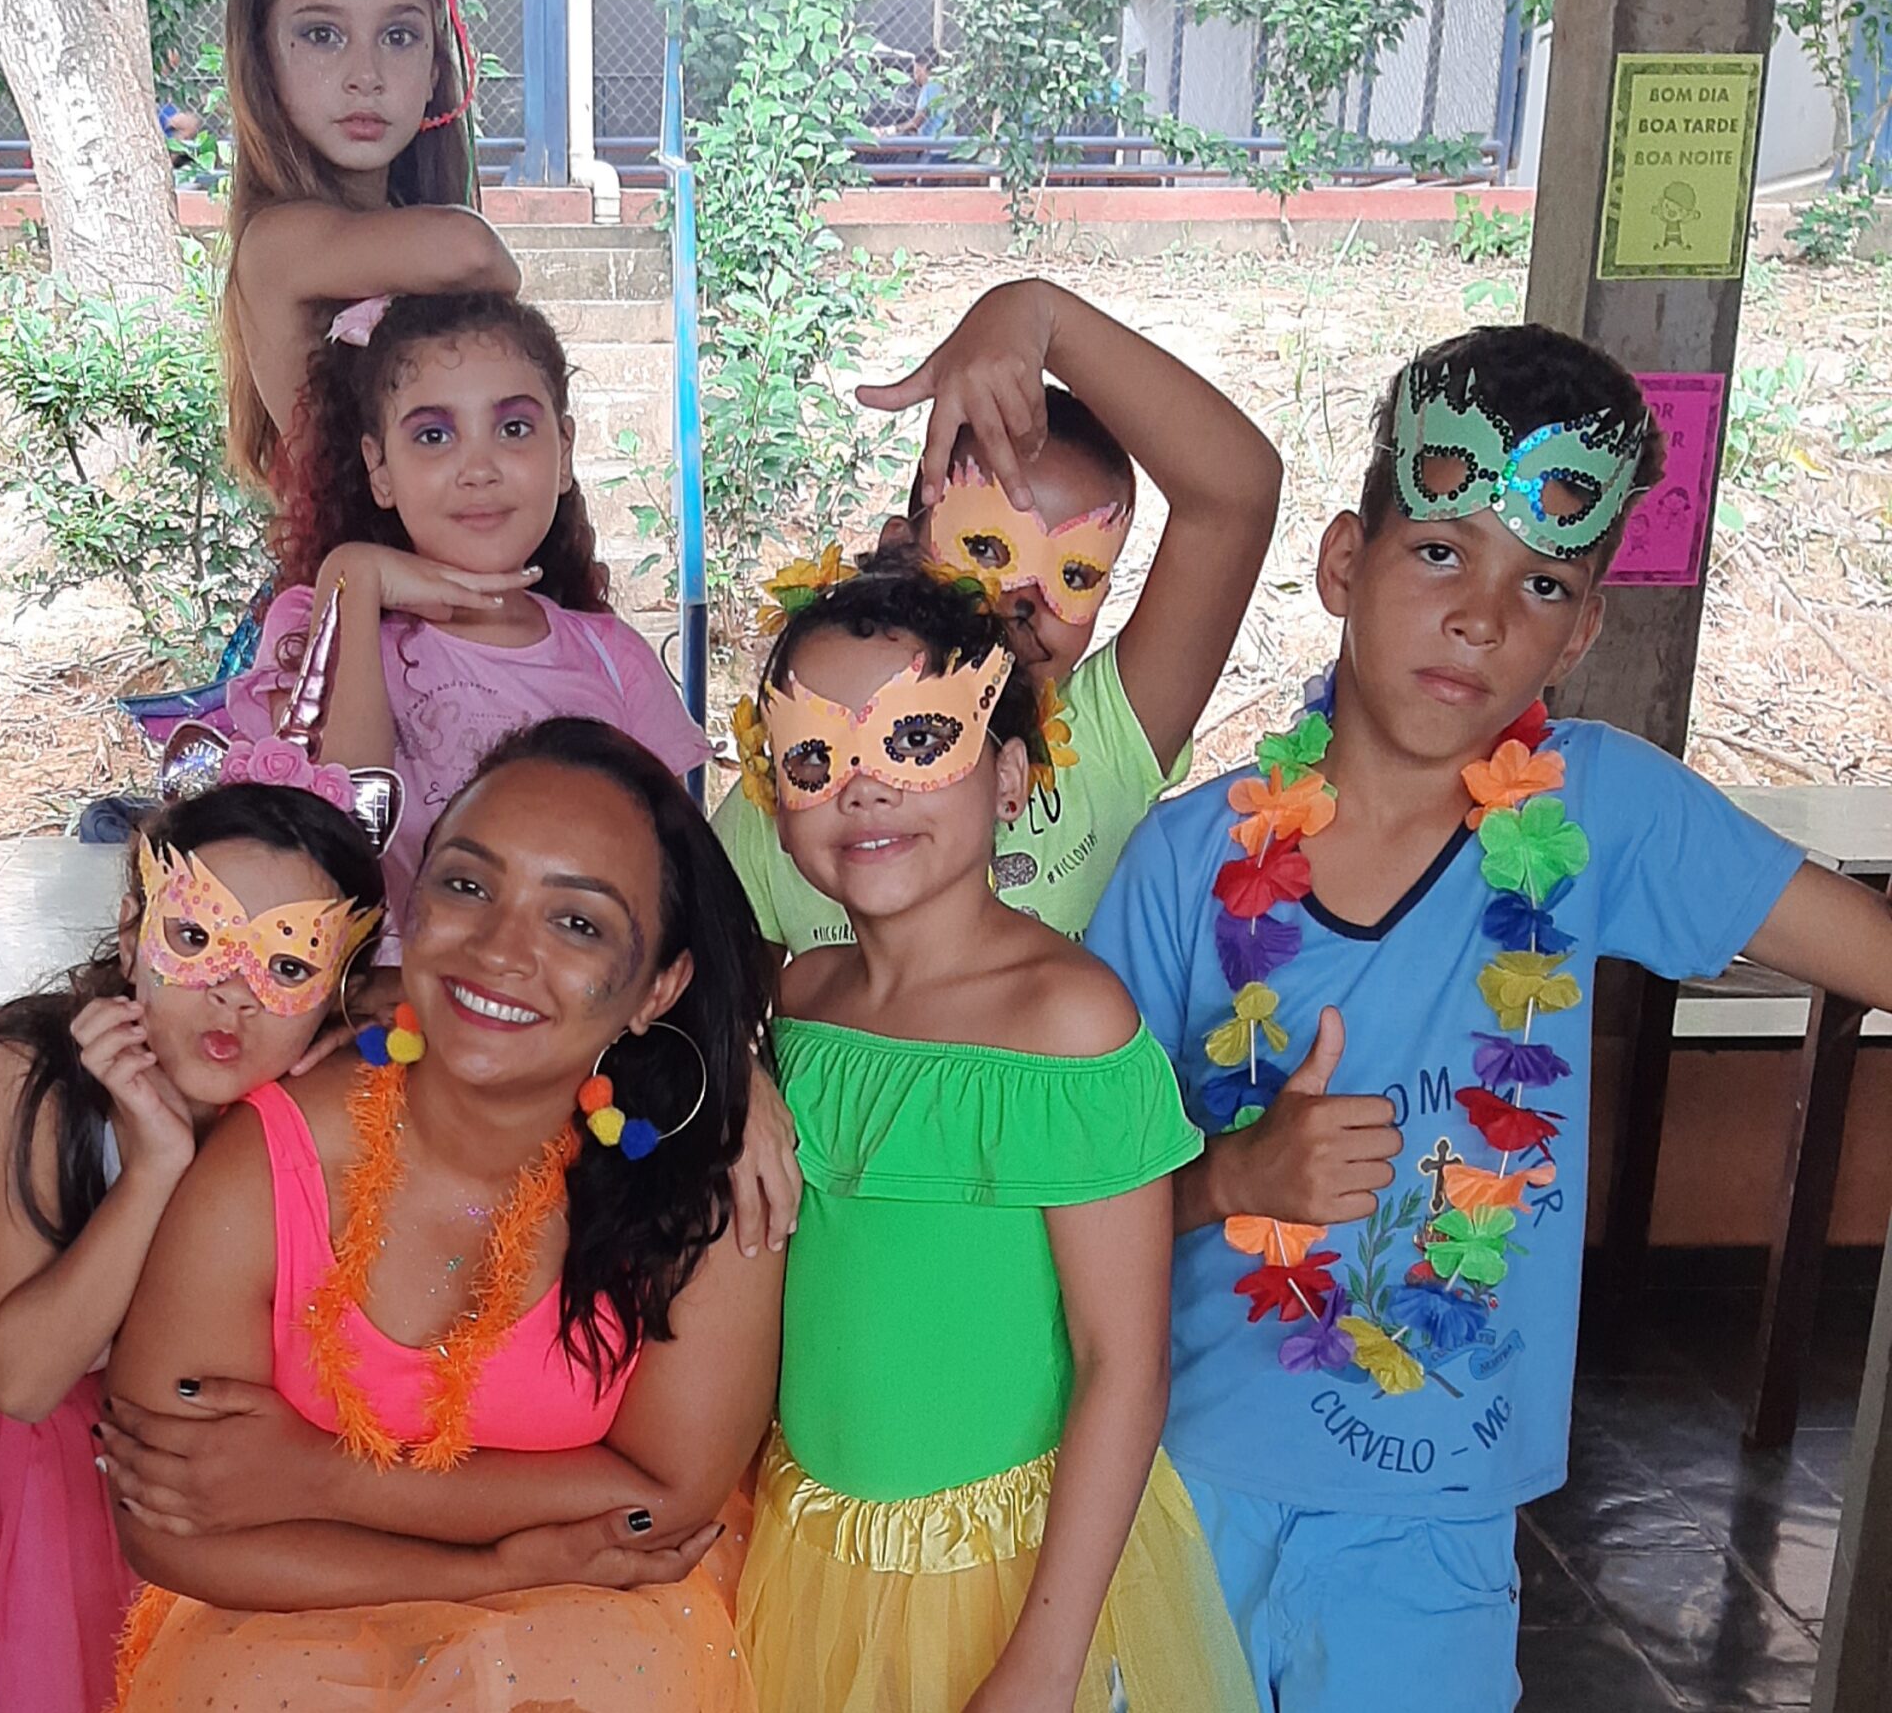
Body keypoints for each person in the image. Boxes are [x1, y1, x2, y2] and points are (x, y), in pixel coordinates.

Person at [1083, 323, 1892, 1713]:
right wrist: (1234, 1174)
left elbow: (1866, 946)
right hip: (1178, 1478)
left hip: (1437, 1513)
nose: (1481, 616)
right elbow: (1072, 1193)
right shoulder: (1183, 860)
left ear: (1581, 631)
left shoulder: (1598, 809)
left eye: (1543, 583)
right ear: (1345, 562)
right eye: (1440, 552)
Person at [93, 719, 783, 1710]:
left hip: (597, 1654)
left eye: (577, 922)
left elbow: (660, 1506)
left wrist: (320, 1478)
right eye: (468, 885)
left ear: (659, 986)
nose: (501, 948)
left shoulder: (704, 1181)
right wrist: (495, 1566)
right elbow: (165, 1525)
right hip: (278, 1646)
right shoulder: (269, 1160)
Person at [730, 570, 1255, 1713]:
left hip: (1003, 1576)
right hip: (806, 1546)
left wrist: (1041, 1665)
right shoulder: (800, 1001)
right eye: (814, 756)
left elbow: (1123, 1361)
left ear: (1010, 775)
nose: (864, 784)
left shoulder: (1067, 1021)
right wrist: (740, 1075)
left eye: (918, 739)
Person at [0, 784, 384, 1713]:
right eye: (196, 937)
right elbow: (23, 1381)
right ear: (132, 933)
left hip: (131, 1423)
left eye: (288, 964)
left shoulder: (323, 1089)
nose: (232, 992)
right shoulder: (31, 1069)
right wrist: (153, 1166)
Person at [714, 277, 1281, 962]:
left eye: (1075, 575)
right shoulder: (805, 782)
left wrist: (1042, 315)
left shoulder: (1109, 740)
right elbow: (721, 1003)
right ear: (900, 550)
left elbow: (1235, 495)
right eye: (984, 549)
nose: (1024, 598)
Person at [227, 290, 710, 932]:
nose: (478, 469)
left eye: (514, 429)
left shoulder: (614, 659)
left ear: (563, 452)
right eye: (434, 435)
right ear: (380, 469)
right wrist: (356, 576)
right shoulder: (315, 623)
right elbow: (345, 838)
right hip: (373, 993)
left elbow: (676, 889)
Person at [217, 0, 521, 492]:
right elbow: (473, 251)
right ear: (262, 58)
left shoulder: (405, 218)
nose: (366, 74)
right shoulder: (277, 243)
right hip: (356, 556)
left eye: (398, 36)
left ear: (435, 66)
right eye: (322, 35)